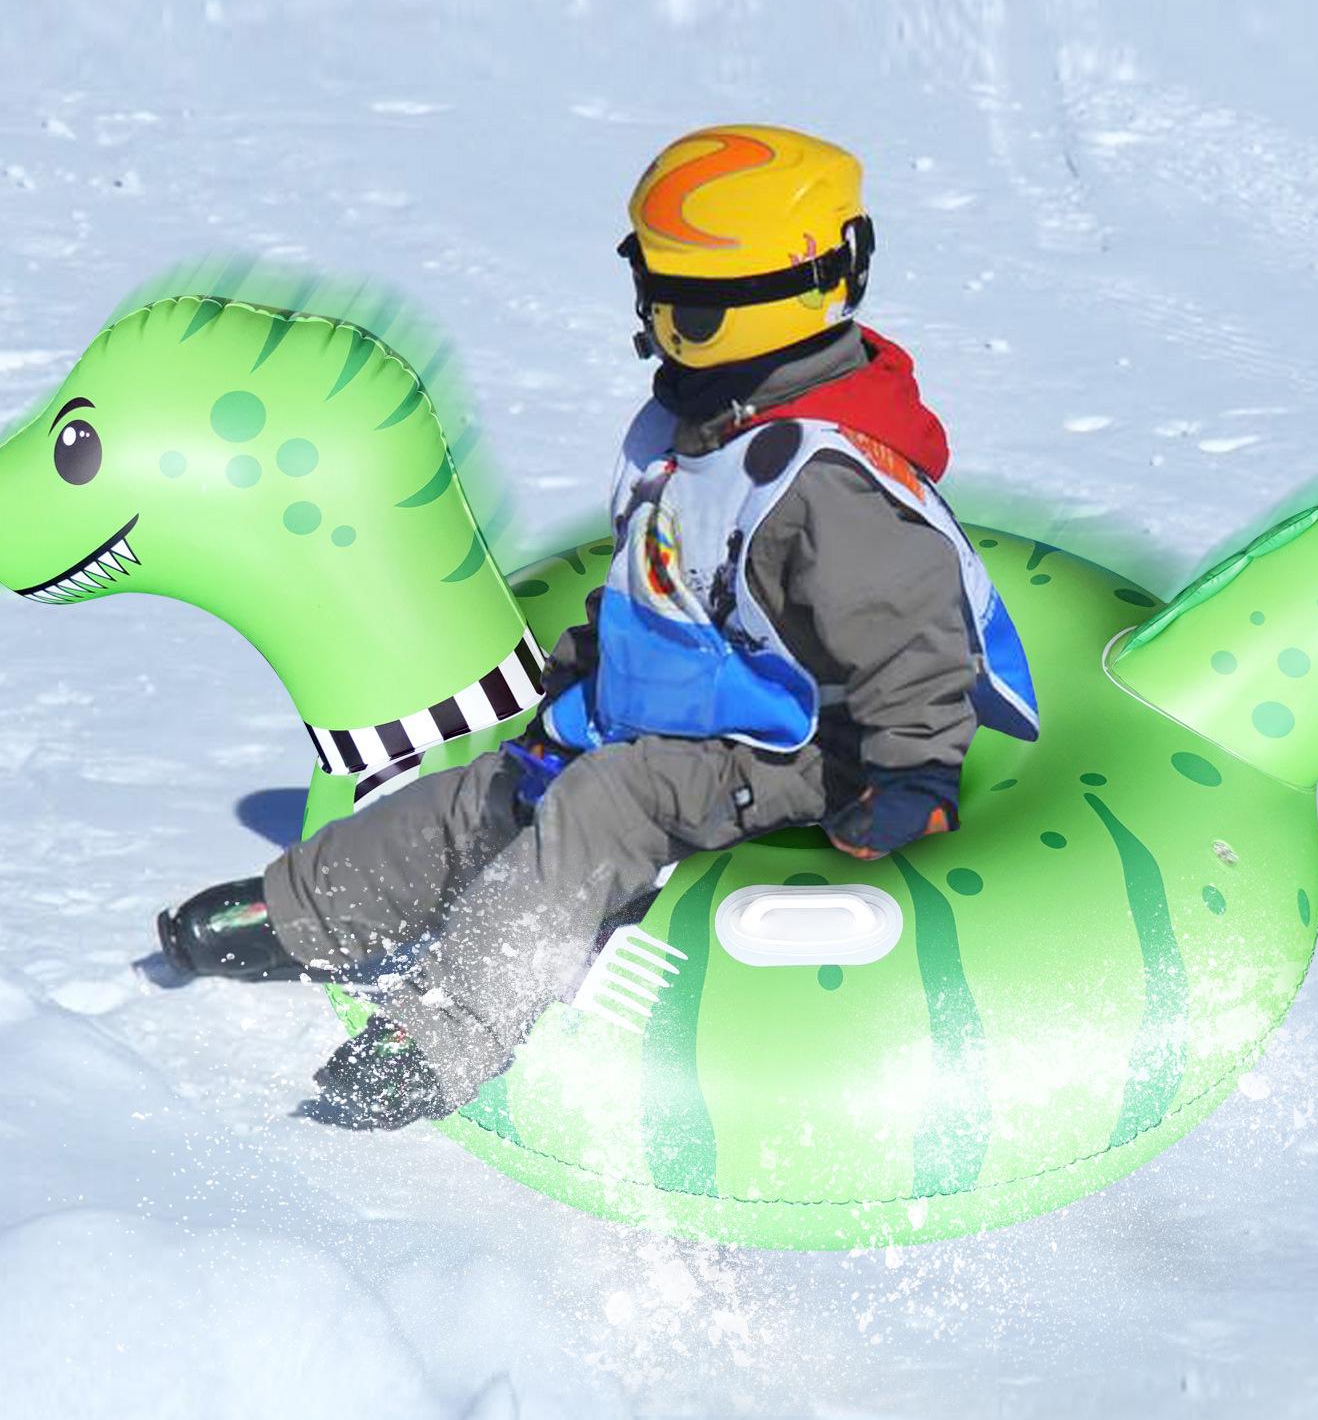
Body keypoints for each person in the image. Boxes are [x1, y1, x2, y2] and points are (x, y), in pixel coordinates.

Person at [157, 124, 1039, 1128]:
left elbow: (909, 636)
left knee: (604, 801)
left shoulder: (827, 480)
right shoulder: (697, 425)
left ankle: (448, 1029)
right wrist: (582, 681)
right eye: (649, 289)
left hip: (808, 746)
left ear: (771, 300)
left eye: (685, 305)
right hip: (704, 706)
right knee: (498, 788)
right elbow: (656, 576)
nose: (657, 324)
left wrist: (912, 773)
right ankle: (304, 912)